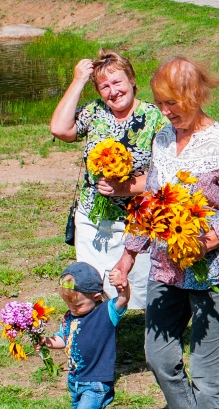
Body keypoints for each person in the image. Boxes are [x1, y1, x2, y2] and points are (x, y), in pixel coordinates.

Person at [113, 57, 219, 409]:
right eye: (160, 103)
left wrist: (205, 241)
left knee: (208, 374)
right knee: (159, 357)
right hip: (165, 268)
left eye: (172, 103)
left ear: (195, 97)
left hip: (214, 273)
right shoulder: (161, 139)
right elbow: (149, 204)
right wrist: (127, 256)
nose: (166, 112)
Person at [50, 50, 168, 311]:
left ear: (132, 81)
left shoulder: (154, 118)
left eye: (117, 82)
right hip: (92, 217)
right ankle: (98, 333)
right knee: (91, 284)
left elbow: (167, 174)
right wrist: (78, 81)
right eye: (104, 86)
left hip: (137, 220)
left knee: (138, 288)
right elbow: (60, 129)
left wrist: (124, 188)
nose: (112, 91)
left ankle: (144, 337)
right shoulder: (94, 111)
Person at [44, 262, 129, 409]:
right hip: (76, 378)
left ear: (96, 297)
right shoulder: (69, 317)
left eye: (78, 305)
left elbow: (123, 300)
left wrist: (122, 286)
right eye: (69, 304)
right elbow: (63, 339)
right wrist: (45, 341)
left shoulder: (106, 313)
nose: (73, 309)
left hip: (97, 378)